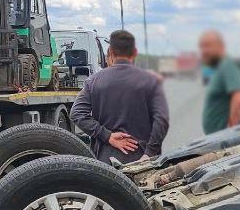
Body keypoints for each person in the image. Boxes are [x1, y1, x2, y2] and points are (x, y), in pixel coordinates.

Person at [71, 29, 169, 163]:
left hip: (106, 162)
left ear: (110, 51)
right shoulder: (150, 81)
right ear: (134, 53)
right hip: (144, 161)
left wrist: (107, 136)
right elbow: (161, 119)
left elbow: (77, 114)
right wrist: (150, 153)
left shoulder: (93, 81)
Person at [198, 29, 240, 135]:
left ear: (220, 46)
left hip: (227, 142)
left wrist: (231, 134)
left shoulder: (228, 65)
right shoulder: (221, 67)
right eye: (201, 47)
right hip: (220, 139)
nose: (203, 51)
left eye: (207, 46)